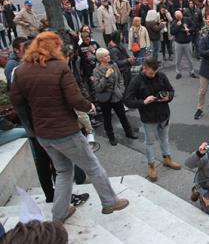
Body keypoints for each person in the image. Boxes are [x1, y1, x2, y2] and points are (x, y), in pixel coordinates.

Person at [9, 32, 129, 222]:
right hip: (65, 131)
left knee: (63, 171)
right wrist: (89, 106)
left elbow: (16, 101)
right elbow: (75, 99)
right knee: (93, 166)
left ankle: (60, 213)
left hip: (43, 133)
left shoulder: (22, 70)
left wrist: (33, 124)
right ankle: (110, 202)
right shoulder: (59, 68)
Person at [125, 57, 181, 182]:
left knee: (164, 139)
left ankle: (167, 159)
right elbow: (128, 100)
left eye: (155, 72)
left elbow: (171, 90)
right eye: (151, 73)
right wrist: (144, 102)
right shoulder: (136, 81)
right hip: (148, 117)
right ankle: (151, 165)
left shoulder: (161, 76)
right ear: (144, 68)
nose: (153, 75)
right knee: (149, 142)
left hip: (164, 114)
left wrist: (168, 97)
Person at [93, 47, 137, 146]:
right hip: (105, 99)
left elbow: (120, 79)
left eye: (108, 54)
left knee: (122, 116)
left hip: (116, 96)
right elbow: (98, 87)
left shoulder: (114, 65)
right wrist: (106, 77)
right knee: (107, 119)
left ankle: (129, 133)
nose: (108, 56)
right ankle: (111, 137)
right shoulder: (96, 70)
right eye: (106, 55)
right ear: (100, 58)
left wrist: (121, 91)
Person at [171, 10, 197, 79]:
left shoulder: (187, 19)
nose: (179, 17)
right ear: (175, 16)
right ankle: (178, 72)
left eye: (179, 15)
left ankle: (192, 72)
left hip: (188, 43)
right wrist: (177, 26)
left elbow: (194, 26)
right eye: (177, 16)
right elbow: (172, 32)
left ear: (182, 14)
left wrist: (189, 29)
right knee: (178, 59)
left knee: (190, 59)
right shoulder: (174, 22)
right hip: (178, 43)